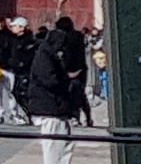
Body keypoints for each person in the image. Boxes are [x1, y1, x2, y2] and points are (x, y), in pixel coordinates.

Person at [16, 10, 89, 140]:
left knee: (63, 142)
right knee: (53, 143)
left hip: (55, 104)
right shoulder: (46, 56)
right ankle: (78, 116)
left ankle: (78, 116)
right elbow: (49, 79)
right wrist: (65, 79)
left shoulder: (52, 54)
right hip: (48, 106)